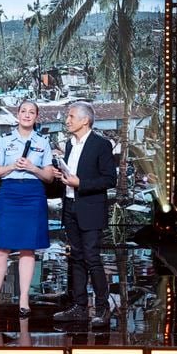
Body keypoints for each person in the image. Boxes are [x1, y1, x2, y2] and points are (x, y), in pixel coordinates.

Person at [0, 100, 54, 319]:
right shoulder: (5, 141)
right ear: (17, 115)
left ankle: (24, 298)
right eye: (23, 111)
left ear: (36, 116)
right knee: (1, 247)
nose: (27, 115)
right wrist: (13, 166)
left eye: (31, 112)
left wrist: (33, 167)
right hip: (9, 192)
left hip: (33, 194)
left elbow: (50, 177)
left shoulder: (43, 142)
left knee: (28, 248)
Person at [52, 101, 116, 328]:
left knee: (92, 258)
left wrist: (81, 183)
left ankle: (102, 307)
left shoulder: (101, 144)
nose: (67, 120)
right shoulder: (70, 145)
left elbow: (110, 179)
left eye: (71, 116)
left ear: (84, 120)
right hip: (70, 207)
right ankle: (79, 307)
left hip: (91, 208)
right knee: (76, 258)